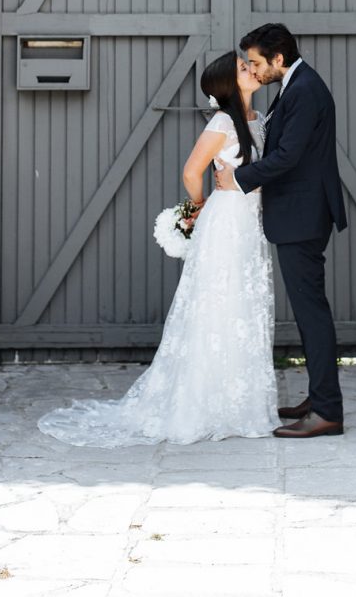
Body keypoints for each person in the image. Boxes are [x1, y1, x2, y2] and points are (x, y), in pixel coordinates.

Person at [37, 51, 279, 448]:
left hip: (249, 223)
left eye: (248, 65)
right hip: (226, 221)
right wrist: (199, 206)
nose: (250, 70)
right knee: (217, 304)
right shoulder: (222, 122)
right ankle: (199, 405)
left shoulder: (257, 120)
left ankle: (240, 403)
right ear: (228, 84)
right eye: (242, 68)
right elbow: (191, 169)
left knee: (244, 305)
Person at [215, 22, 347, 439]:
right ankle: (318, 396)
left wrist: (238, 179)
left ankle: (327, 411)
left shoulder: (305, 88)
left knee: (312, 313)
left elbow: (288, 155)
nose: (253, 71)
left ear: (278, 58)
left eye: (256, 62)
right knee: (310, 311)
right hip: (297, 213)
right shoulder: (293, 85)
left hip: (303, 216)